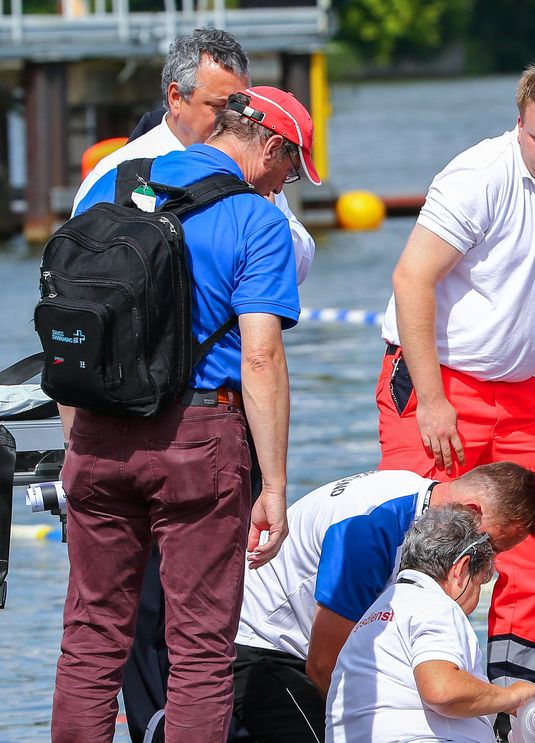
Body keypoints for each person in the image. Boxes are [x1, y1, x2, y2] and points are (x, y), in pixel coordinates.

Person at [67, 30, 319, 743]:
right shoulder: (254, 218)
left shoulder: (114, 185)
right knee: (202, 650)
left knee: (89, 643)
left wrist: (74, 452)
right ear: (269, 149)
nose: (284, 189)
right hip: (197, 440)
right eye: (290, 173)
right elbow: (263, 358)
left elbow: (76, 325)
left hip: (97, 438)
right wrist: (274, 483)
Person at [376, 63, 535, 702]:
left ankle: (520, 708)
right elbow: (412, 280)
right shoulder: (478, 176)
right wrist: (432, 401)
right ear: (520, 125)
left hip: (516, 396)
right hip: (433, 381)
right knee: (429, 550)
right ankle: (405, 699)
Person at [232, 464, 535, 743]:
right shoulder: (373, 529)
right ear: (472, 511)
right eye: (490, 546)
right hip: (263, 647)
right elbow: (323, 665)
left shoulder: (417, 504)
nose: (487, 564)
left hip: (304, 649)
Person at [73, 28, 315, 283]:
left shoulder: (254, 166)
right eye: (220, 106)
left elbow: (297, 267)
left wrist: (264, 208)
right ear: (176, 98)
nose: (235, 118)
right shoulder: (116, 172)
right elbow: (77, 265)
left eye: (242, 108)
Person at [325, 504, 535, 743]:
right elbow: (442, 690)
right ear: (461, 570)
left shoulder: (376, 613)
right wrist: (511, 697)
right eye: (481, 582)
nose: (474, 600)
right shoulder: (435, 605)